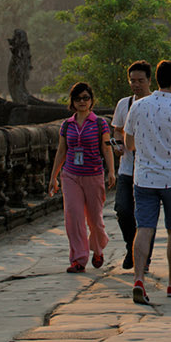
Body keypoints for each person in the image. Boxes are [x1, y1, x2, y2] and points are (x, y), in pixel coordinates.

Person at [124, 59, 171, 305]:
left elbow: (128, 144)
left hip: (144, 178)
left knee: (144, 228)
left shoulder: (138, 106)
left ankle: (138, 278)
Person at [48, 81, 115, 273]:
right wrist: (53, 177)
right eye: (78, 99)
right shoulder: (66, 125)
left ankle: (98, 247)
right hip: (70, 175)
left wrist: (111, 171)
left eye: (86, 98)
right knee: (73, 216)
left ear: (91, 100)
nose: (82, 102)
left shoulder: (100, 123)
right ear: (73, 102)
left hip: (93, 175)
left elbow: (106, 148)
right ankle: (79, 258)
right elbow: (61, 151)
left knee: (94, 219)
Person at [111, 60, 156, 270]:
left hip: (150, 170)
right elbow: (117, 129)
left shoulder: (157, 103)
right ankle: (132, 246)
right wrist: (118, 144)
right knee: (123, 209)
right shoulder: (124, 104)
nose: (136, 84)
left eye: (140, 80)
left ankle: (143, 258)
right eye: (133, 81)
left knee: (146, 216)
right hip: (127, 168)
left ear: (149, 80)